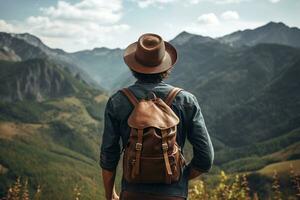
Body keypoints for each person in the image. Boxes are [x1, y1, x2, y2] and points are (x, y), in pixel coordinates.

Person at [100, 33, 214, 200]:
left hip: (132, 194)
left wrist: (110, 195)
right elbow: (206, 158)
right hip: (174, 195)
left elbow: (109, 154)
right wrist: (180, 178)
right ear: (166, 68)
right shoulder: (186, 101)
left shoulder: (117, 101)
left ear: (133, 68)